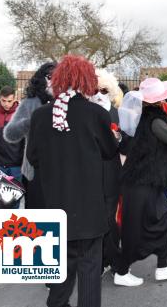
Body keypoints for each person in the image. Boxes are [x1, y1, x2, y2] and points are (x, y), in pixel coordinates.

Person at [26, 55, 119, 307]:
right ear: (87, 80)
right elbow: (110, 152)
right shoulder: (96, 113)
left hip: (54, 204)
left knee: (59, 268)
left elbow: (33, 157)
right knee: (89, 270)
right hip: (89, 207)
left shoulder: (41, 116)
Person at [114, 78, 167, 286]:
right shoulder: (155, 120)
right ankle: (121, 270)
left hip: (145, 182)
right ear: (161, 100)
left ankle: (162, 267)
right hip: (139, 182)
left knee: (166, 220)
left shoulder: (152, 118)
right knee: (134, 228)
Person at [3, 62, 56, 208]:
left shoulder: (67, 102)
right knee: (37, 215)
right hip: (35, 168)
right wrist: (32, 121)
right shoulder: (30, 103)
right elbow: (10, 133)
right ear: (42, 78)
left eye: (58, 77)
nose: (53, 81)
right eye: (50, 76)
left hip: (60, 168)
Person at [89, 69, 124, 275]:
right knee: (95, 218)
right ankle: (99, 258)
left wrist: (117, 137)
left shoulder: (115, 112)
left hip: (110, 171)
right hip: (89, 174)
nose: (99, 93)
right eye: (95, 89)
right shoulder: (84, 112)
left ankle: (111, 258)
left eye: (103, 90)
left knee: (110, 218)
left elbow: (126, 141)